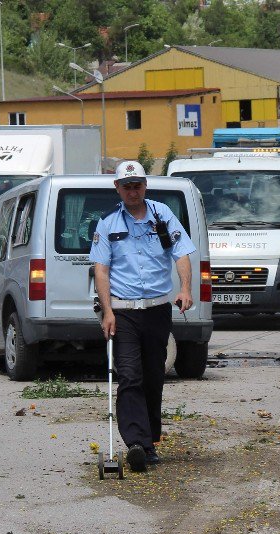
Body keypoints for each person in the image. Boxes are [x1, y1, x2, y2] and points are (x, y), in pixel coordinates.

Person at [90, 160, 196, 472]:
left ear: (145, 186)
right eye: (127, 185)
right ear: (118, 188)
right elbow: (102, 270)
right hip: (123, 312)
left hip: (158, 309)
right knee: (129, 376)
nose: (133, 190)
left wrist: (186, 289)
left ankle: (149, 437)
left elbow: (182, 254)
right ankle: (137, 443)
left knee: (153, 376)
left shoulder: (163, 215)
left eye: (137, 185)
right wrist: (107, 311)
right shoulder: (107, 224)